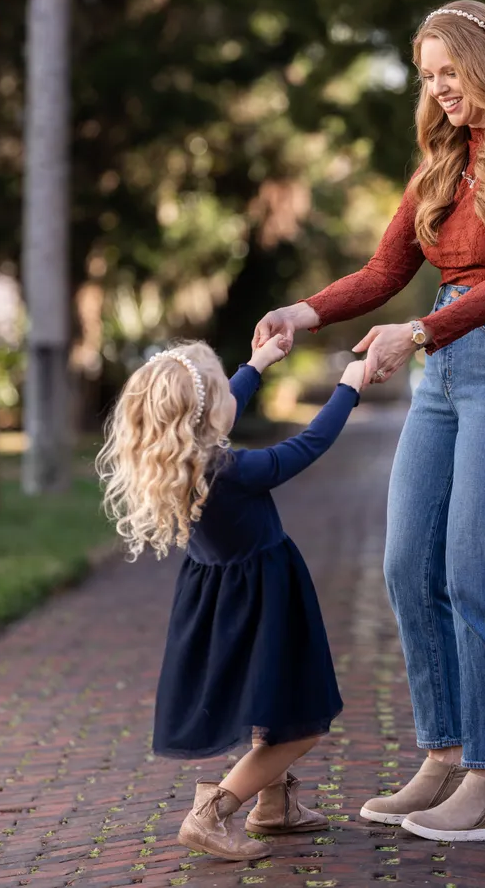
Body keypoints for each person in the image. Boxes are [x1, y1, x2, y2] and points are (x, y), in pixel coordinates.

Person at [253, 0, 485, 843]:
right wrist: (301, 312)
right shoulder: (442, 165)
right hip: (447, 359)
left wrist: (420, 330)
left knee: (475, 567)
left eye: (451, 73)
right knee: (405, 562)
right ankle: (443, 755)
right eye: (428, 76)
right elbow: (383, 269)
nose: (440, 91)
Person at [96, 337, 366, 860]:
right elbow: (306, 446)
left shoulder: (185, 463)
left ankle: (275, 806)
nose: (232, 398)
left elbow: (224, 405)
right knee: (301, 723)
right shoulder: (233, 471)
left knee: (270, 702)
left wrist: (257, 364)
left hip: (221, 602)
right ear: (206, 412)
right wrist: (347, 391)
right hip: (265, 600)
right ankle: (213, 811)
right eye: (223, 389)